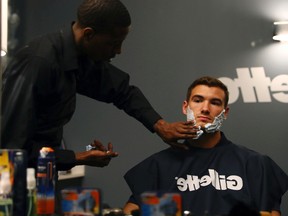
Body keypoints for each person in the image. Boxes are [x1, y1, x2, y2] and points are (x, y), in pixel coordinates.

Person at [1, 0, 198, 171]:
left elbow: (123, 91)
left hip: (41, 175)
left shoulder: (79, 58)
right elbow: (11, 150)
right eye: (113, 43)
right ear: (88, 34)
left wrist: (160, 126)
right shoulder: (39, 62)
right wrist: (76, 158)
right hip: (12, 185)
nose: (119, 51)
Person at [123, 76, 288, 216]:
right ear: (185, 107)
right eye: (198, 100)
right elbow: (131, 211)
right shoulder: (160, 165)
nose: (205, 109)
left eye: (215, 102)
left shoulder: (255, 165)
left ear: (225, 113)